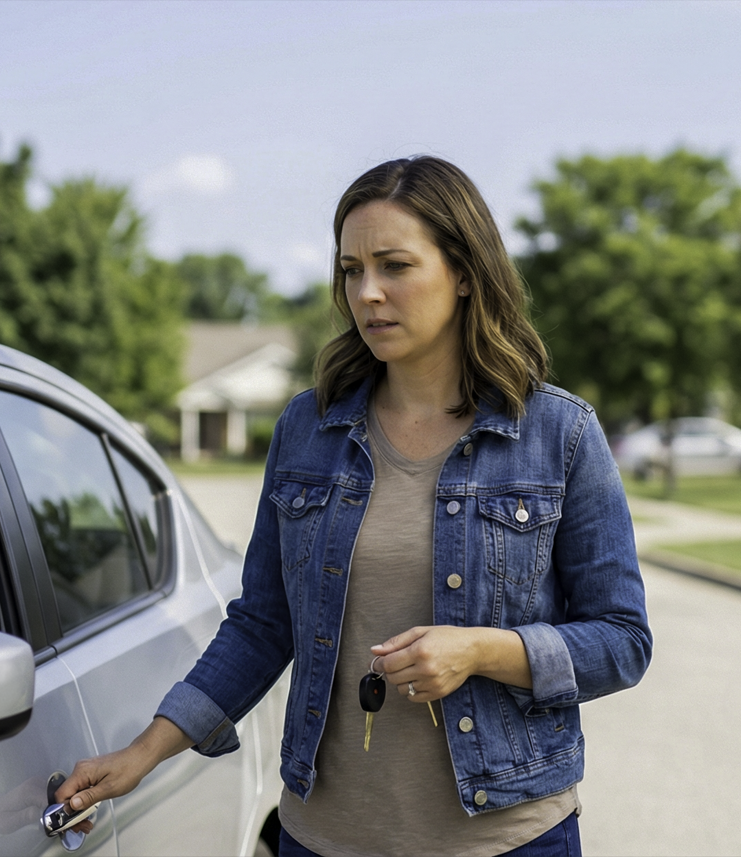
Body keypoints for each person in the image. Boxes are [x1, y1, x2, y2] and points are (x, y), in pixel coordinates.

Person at [55, 156, 652, 857]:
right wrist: (147, 749)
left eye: (394, 266)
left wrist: (483, 651)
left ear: (463, 272)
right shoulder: (307, 431)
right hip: (323, 838)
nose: (367, 293)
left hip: (509, 839)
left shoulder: (559, 433)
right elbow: (261, 624)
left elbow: (622, 639)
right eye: (350, 270)